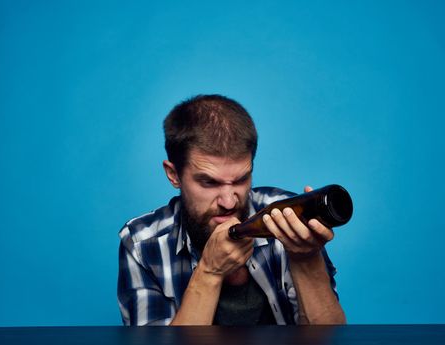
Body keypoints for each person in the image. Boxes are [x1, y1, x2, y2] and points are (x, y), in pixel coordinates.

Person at [117, 94, 346, 325]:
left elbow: (329, 344)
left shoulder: (285, 217)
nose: (228, 202)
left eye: (240, 180)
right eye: (209, 183)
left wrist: (306, 258)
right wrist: (209, 273)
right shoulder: (141, 243)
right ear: (173, 174)